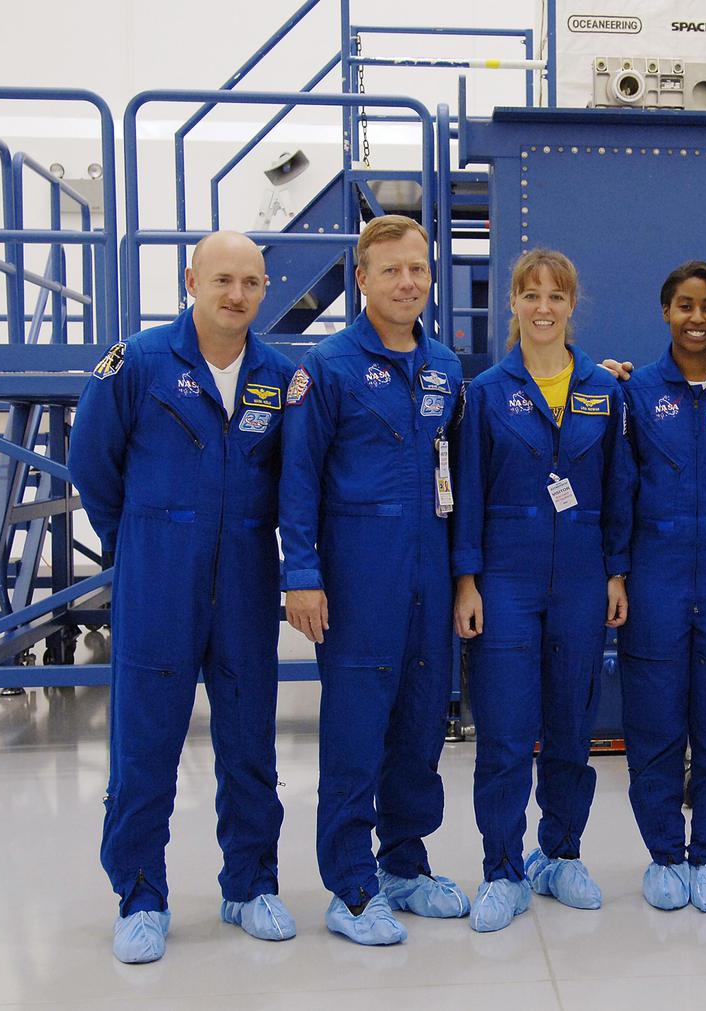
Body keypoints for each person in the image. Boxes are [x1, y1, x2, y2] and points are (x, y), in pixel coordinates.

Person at [71, 231, 296, 964]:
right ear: (191, 279)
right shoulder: (138, 362)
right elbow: (93, 464)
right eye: (223, 279)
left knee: (249, 738)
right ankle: (140, 893)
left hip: (246, 578)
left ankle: (250, 883)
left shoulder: (278, 374)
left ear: (266, 289)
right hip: (159, 576)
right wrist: (139, 541)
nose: (237, 295)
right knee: (146, 741)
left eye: (252, 283)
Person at [280, 215, 469, 947]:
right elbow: (297, 479)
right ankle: (351, 885)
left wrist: (461, 577)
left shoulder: (444, 367)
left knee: (422, 723)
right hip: (358, 572)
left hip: (429, 565)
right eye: (390, 270)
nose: (407, 282)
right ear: (362, 279)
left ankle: (405, 863)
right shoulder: (326, 369)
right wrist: (303, 573)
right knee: (357, 729)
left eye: (418, 269)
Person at [452, 248, 635, 933]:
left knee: (570, 728)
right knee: (503, 731)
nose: (543, 307)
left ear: (571, 304)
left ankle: (560, 852)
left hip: (584, 577)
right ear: (514, 306)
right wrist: (466, 581)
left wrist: (616, 569)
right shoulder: (489, 393)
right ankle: (502, 866)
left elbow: (620, 486)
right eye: (530, 295)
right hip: (506, 575)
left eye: (556, 295)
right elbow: (466, 490)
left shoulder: (602, 390)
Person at [617, 261, 706, 913]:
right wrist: (617, 570)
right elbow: (620, 489)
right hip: (657, 576)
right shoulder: (638, 392)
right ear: (665, 313)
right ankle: (665, 854)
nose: (695, 317)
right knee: (655, 721)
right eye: (683, 305)